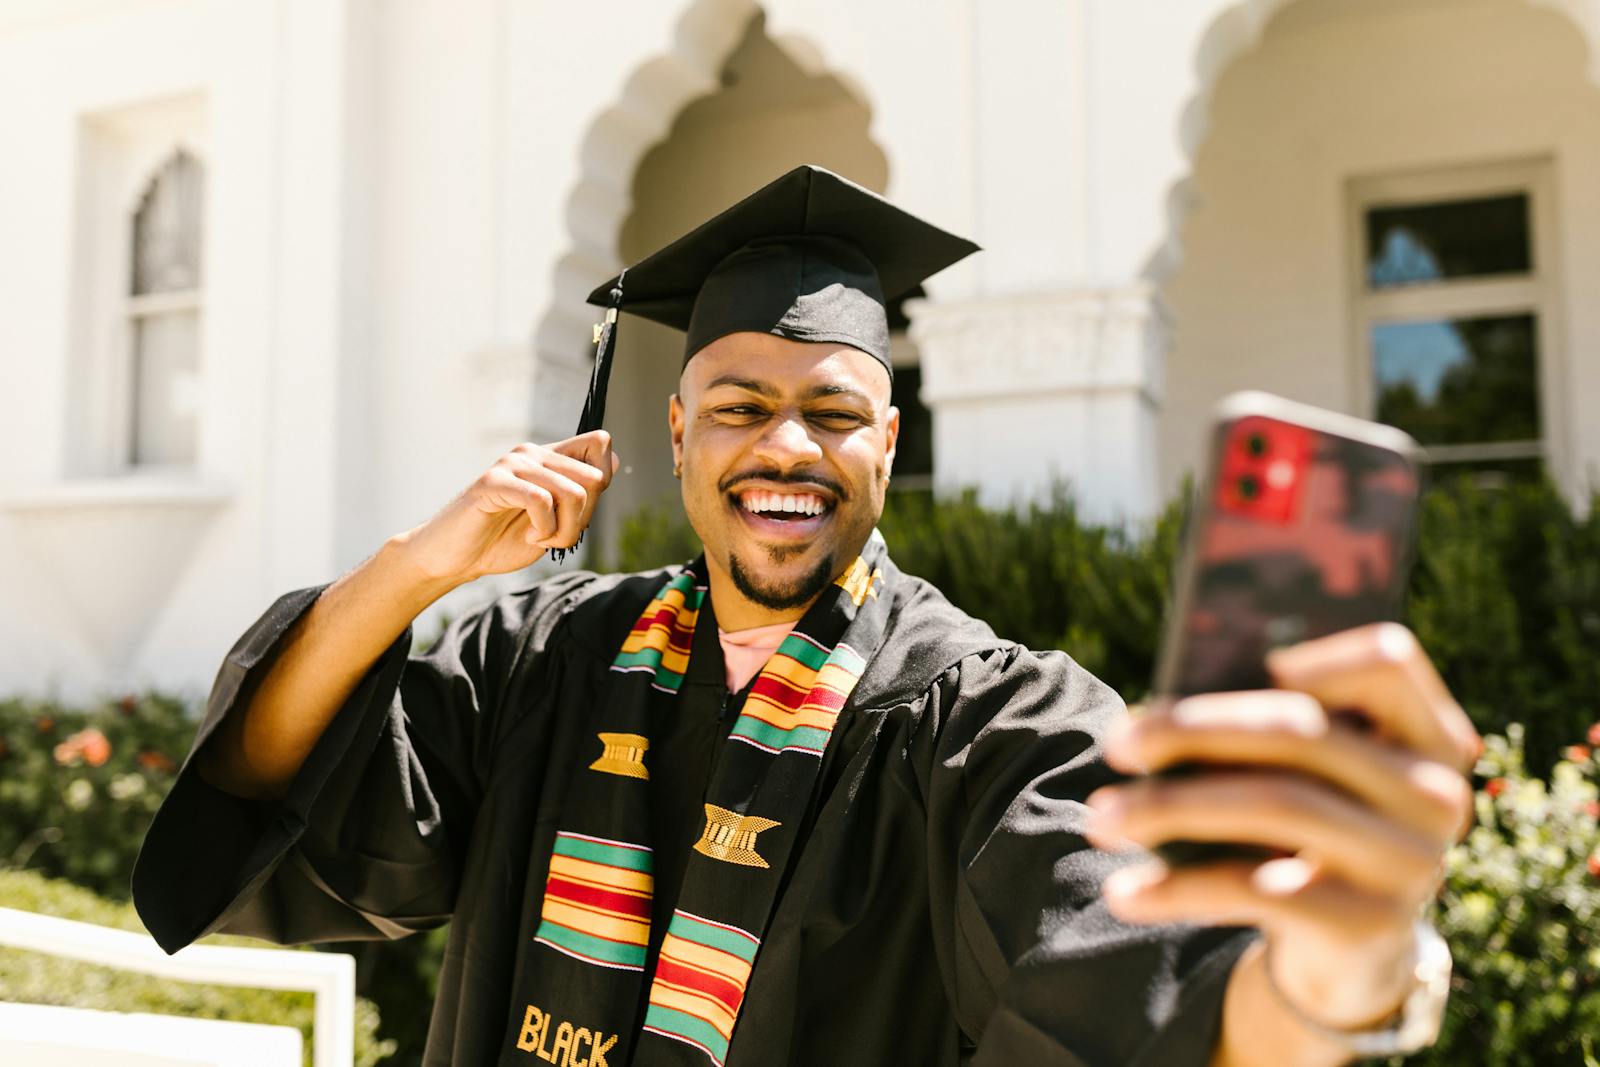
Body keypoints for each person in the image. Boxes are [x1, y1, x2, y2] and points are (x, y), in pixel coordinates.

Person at [133, 166, 1479, 1067]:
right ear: (676, 431)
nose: (785, 445)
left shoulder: (990, 716)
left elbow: (1152, 993)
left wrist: (1335, 971)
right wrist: (419, 570)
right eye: (737, 407)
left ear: (888, 445)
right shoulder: (543, 655)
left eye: (834, 413)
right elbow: (281, 789)